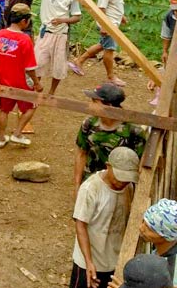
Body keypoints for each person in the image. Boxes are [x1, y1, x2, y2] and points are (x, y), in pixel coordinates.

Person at [71, 147, 139, 288]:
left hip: (114, 262)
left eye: (127, 178)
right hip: (89, 264)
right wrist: (89, 262)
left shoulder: (128, 188)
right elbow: (80, 224)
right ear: (108, 166)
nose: (123, 182)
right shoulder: (91, 188)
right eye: (120, 177)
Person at [70, 0, 135, 87]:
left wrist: (121, 16)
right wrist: (105, 25)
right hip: (108, 23)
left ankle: (79, 61)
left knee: (102, 45)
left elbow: (115, 3)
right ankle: (111, 77)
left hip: (113, 22)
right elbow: (101, 8)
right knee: (109, 49)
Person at [74, 83, 146, 195]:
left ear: (109, 106)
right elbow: (81, 153)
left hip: (119, 185)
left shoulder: (133, 131)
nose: (90, 105)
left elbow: (139, 165)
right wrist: (77, 185)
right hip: (91, 181)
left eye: (94, 102)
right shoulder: (89, 124)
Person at [0, 3, 43, 149]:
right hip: (21, 82)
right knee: (32, 106)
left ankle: (1, 138)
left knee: (4, 110)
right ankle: (17, 133)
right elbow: (30, 67)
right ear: (24, 21)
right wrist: (37, 83)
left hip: (3, 81)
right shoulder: (25, 40)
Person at [29, 0, 82, 95]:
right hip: (45, 32)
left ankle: (51, 92)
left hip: (60, 34)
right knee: (37, 61)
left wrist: (63, 20)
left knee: (58, 66)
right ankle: (36, 87)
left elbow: (77, 17)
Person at [137, 199, 177, 283]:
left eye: (150, 229)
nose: (141, 228)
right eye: (144, 222)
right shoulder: (158, 251)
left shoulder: (173, 267)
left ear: (167, 236)